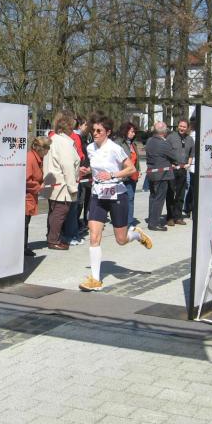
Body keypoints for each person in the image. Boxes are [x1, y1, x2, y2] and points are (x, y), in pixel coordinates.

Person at [78, 116, 153, 292]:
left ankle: (136, 234)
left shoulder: (115, 148)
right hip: (98, 195)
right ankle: (95, 279)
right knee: (94, 236)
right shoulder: (90, 148)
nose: (95, 133)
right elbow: (95, 169)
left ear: (108, 132)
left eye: (99, 131)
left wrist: (112, 175)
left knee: (121, 240)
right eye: (93, 130)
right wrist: (86, 171)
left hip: (117, 194)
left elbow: (131, 169)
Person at [41, 112, 80, 250]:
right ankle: (54, 240)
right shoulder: (64, 143)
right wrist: (73, 187)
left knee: (54, 212)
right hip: (61, 184)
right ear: (68, 127)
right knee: (60, 211)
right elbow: (67, 166)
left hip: (51, 181)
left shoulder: (54, 139)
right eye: (73, 127)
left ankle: (52, 237)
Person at [144, 121, 175, 232]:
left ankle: (151, 219)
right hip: (162, 175)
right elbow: (174, 156)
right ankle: (154, 223)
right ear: (164, 132)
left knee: (153, 197)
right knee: (159, 199)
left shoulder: (149, 141)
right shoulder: (164, 143)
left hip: (152, 173)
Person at [164, 119, 194, 226]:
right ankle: (170, 217)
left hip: (183, 169)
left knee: (181, 194)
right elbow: (165, 152)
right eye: (180, 126)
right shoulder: (171, 137)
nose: (182, 128)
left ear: (187, 128)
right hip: (172, 168)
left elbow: (191, 154)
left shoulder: (190, 139)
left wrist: (189, 164)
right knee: (170, 193)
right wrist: (169, 163)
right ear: (178, 126)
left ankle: (178, 217)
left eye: (184, 127)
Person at [25, 136, 50, 256]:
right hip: (25, 197)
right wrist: (39, 186)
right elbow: (27, 180)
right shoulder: (30, 158)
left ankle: (23, 246)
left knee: (25, 222)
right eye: (48, 147)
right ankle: (22, 248)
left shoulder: (36, 158)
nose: (49, 150)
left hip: (30, 196)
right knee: (23, 223)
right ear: (41, 148)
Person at [114, 122, 140, 227]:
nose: (134, 134)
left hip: (132, 176)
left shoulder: (133, 144)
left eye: (134, 132)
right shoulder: (117, 143)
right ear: (125, 131)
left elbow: (136, 160)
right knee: (119, 200)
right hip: (121, 176)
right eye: (132, 131)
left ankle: (129, 222)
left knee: (130, 199)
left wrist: (138, 170)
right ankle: (120, 221)